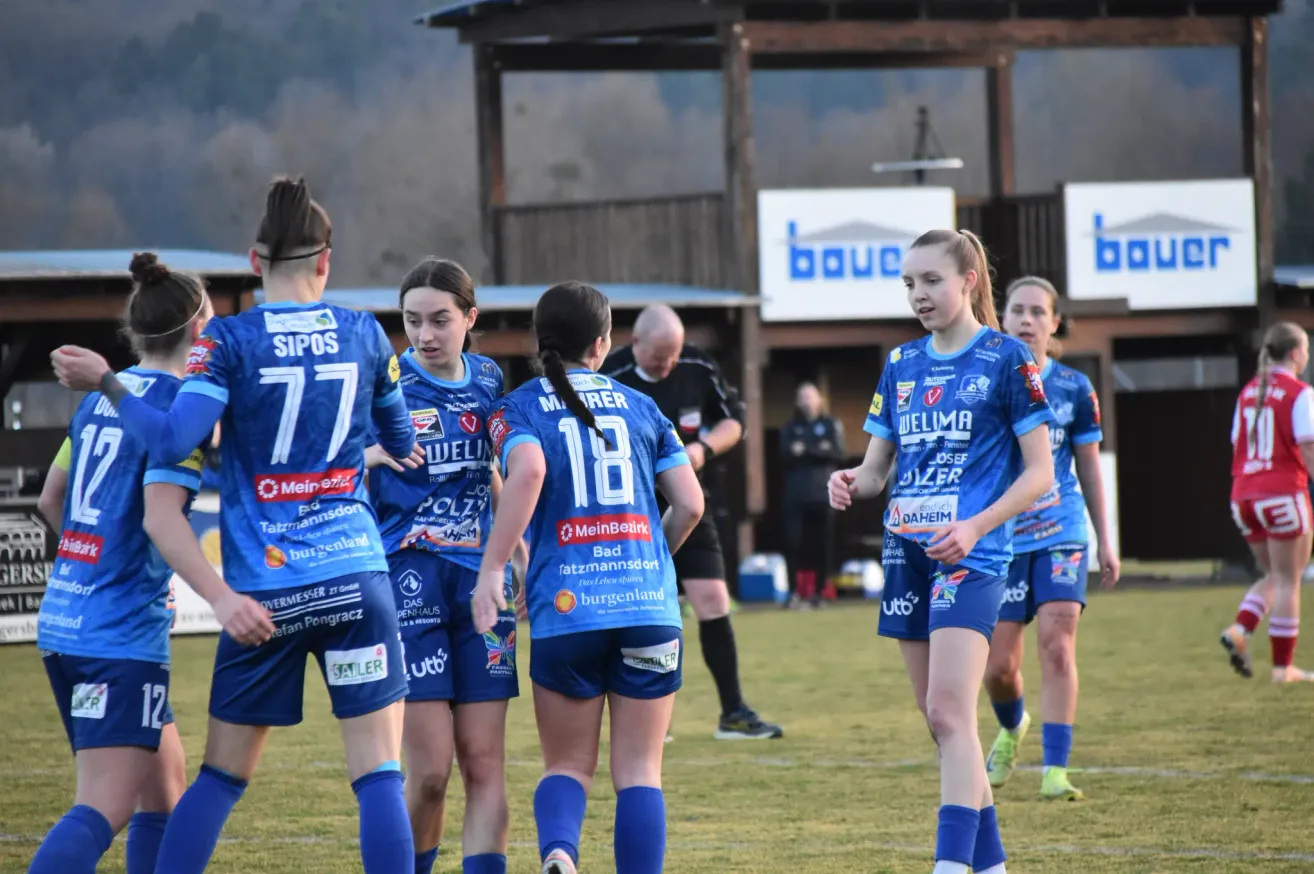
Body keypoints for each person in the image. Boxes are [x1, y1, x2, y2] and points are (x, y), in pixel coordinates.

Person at [50, 176, 422, 874]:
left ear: (254, 262)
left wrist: (106, 381)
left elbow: (169, 440)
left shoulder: (226, 339)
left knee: (219, 780)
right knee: (378, 776)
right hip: (354, 578)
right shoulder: (365, 331)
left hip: (265, 594)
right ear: (326, 261)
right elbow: (398, 434)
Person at [27, 254, 264, 874]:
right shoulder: (177, 413)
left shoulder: (98, 402)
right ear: (199, 328)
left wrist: (96, 556)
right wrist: (213, 594)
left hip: (64, 621)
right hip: (118, 637)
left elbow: (51, 499)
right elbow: (161, 520)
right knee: (104, 806)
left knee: (165, 784)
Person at [828, 229, 1055, 874]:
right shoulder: (901, 365)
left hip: (972, 554)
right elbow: (877, 472)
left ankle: (949, 866)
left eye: (931, 280)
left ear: (970, 280)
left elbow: (1039, 473)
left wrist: (978, 526)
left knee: (948, 710)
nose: (919, 295)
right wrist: (850, 481)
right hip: (908, 552)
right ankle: (992, 866)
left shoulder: (1009, 359)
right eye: (909, 284)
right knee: (944, 725)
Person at [470, 281, 704, 874]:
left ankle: (559, 853)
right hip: (648, 608)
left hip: (569, 609)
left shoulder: (517, 405)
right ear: (603, 344)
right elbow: (691, 504)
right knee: (640, 773)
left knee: (568, 766)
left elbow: (526, 471)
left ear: (539, 339)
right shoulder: (642, 406)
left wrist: (495, 565)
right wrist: (655, 560)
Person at [365, 257, 524, 874]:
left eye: (439, 320)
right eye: (411, 321)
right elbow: (329, 465)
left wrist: (518, 553)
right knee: (430, 774)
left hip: (482, 582)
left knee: (484, 764)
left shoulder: (488, 378)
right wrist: (373, 454)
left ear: (470, 319)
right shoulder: (384, 384)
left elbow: (492, 469)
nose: (425, 335)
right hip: (407, 580)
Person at [602, 304, 783, 740]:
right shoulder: (612, 374)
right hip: (633, 511)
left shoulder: (698, 366)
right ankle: (639, 715)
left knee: (714, 601)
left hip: (690, 502)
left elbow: (735, 422)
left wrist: (702, 449)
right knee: (635, 609)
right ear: (636, 344)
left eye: (673, 357)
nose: (666, 366)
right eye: (657, 357)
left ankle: (733, 713)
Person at [982, 276, 1121, 802]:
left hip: (1061, 530)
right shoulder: (989, 383)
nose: (1026, 319)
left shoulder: (1074, 389)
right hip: (1002, 536)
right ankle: (1013, 727)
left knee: (1058, 647)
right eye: (1017, 309)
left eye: (1038, 311)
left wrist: (1105, 539)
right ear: (1002, 316)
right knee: (998, 668)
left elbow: (1089, 466)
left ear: (1054, 322)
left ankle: (1055, 771)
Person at [1220, 322, 1314, 683]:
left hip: (1243, 496)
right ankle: (1282, 668)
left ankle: (1240, 631)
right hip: (1283, 492)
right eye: (1305, 349)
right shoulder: (1299, 392)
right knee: (1290, 579)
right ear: (1295, 354)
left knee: (1274, 575)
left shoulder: (1248, 392)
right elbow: (1307, 447)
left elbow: (1236, 442)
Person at [779, 381, 845, 607]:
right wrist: (818, 449)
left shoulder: (830, 424)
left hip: (823, 494)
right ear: (797, 401)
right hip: (796, 494)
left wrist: (805, 450)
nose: (807, 400)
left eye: (811, 396)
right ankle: (793, 593)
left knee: (823, 544)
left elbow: (837, 453)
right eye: (803, 396)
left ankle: (820, 592)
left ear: (819, 399)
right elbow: (785, 455)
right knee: (793, 543)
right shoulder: (790, 427)